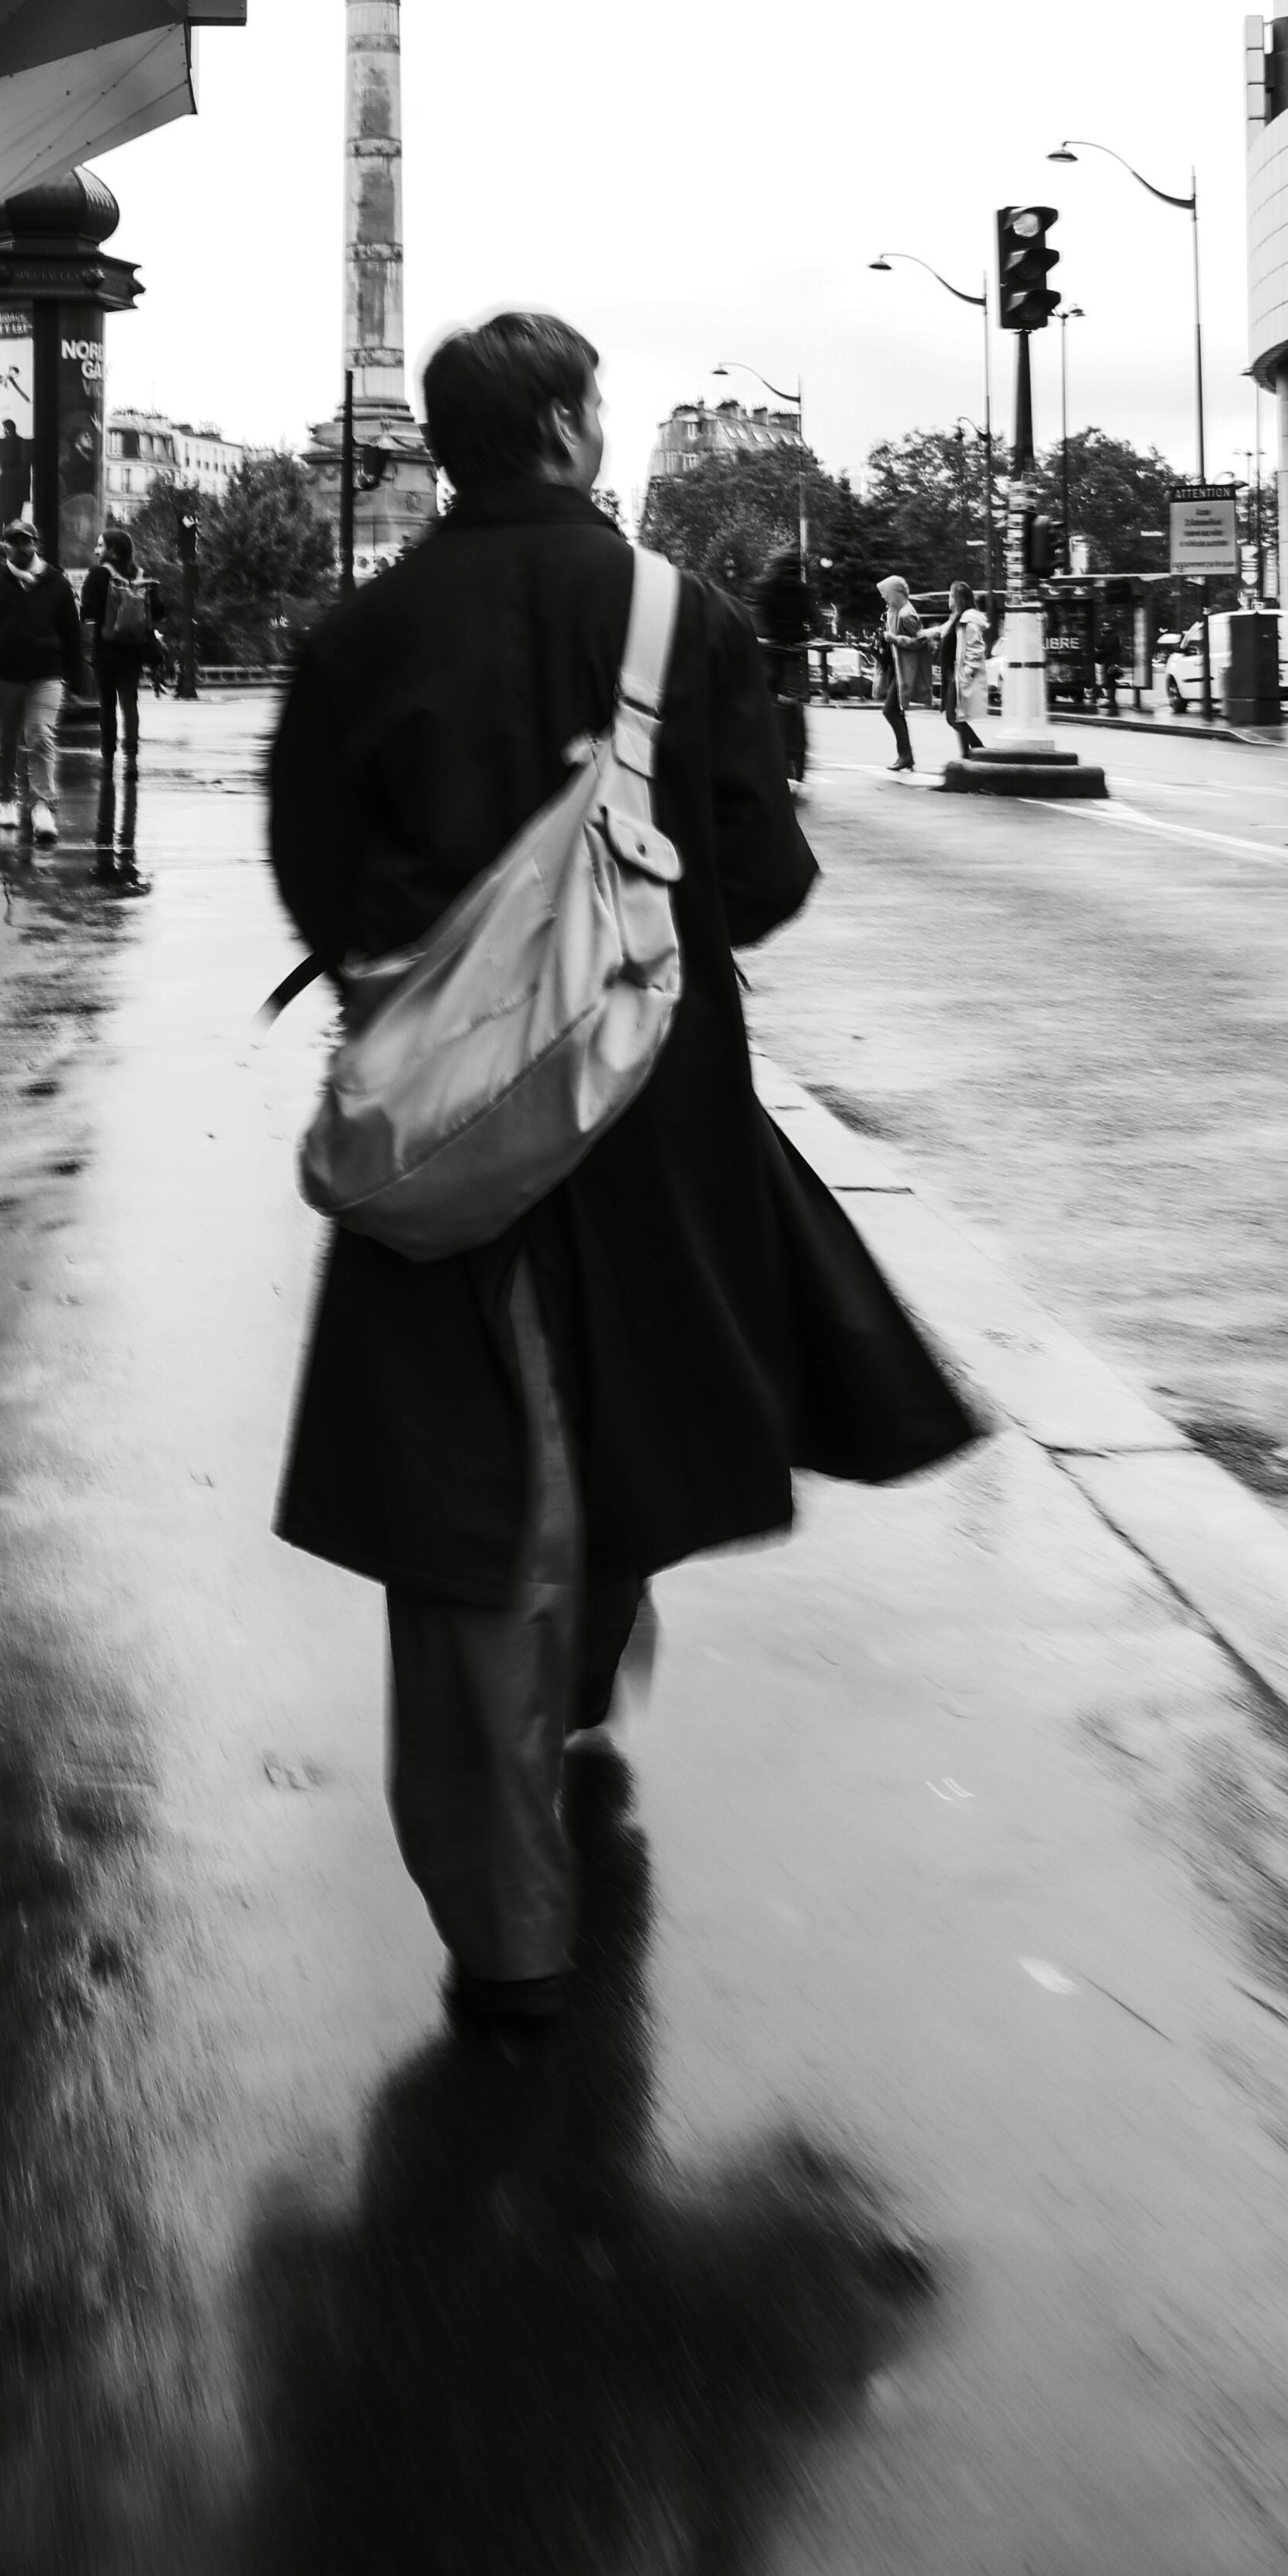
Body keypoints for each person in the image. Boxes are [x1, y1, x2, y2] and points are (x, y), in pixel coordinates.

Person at [267, 308, 975, 2026]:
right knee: (627, 1409)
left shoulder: (359, 633)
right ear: (577, 431)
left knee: (468, 1481)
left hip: (443, 1127)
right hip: (650, 1116)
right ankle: (578, 1691)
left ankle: (501, 1915)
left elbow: (311, 866)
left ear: (446, 447)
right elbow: (767, 876)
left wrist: (448, 978)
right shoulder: (683, 619)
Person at [0, 519, 85, 841]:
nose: (21, 547)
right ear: (7, 548)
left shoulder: (56, 584)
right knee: (5, 742)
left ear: (36, 544)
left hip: (46, 675)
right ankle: (6, 799)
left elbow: (72, 634)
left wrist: (76, 679)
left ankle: (42, 804)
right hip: (3, 677)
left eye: (26, 541)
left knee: (40, 736)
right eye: (14, 542)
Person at [79, 523, 158, 785]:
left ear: (112, 550)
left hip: (106, 650)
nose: (96, 550)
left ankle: (107, 761)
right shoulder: (141, 576)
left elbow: (87, 611)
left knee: (107, 705)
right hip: (133, 651)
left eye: (101, 545)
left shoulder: (99, 575)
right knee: (129, 703)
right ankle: (132, 761)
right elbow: (158, 611)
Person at [752, 545, 815, 791]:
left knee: (769, 702)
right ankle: (796, 760)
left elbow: (758, 619)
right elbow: (813, 618)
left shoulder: (765, 586)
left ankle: (775, 757)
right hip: (791, 652)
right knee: (791, 704)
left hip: (771, 652)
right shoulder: (801, 590)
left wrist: (764, 637)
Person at [872, 575, 919, 774]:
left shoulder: (907, 613)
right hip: (894, 667)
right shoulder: (892, 611)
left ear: (896, 593)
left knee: (890, 710)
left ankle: (906, 755)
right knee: (895, 711)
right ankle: (905, 755)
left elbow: (920, 642)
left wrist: (894, 638)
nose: (884, 598)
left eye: (886, 594)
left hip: (904, 669)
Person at [943, 579, 991, 756]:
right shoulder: (958, 618)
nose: (948, 599)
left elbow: (976, 648)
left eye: (951, 595)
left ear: (958, 598)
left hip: (958, 675)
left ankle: (979, 750)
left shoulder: (968, 621)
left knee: (953, 718)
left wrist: (966, 673)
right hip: (953, 674)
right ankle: (967, 756)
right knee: (957, 717)